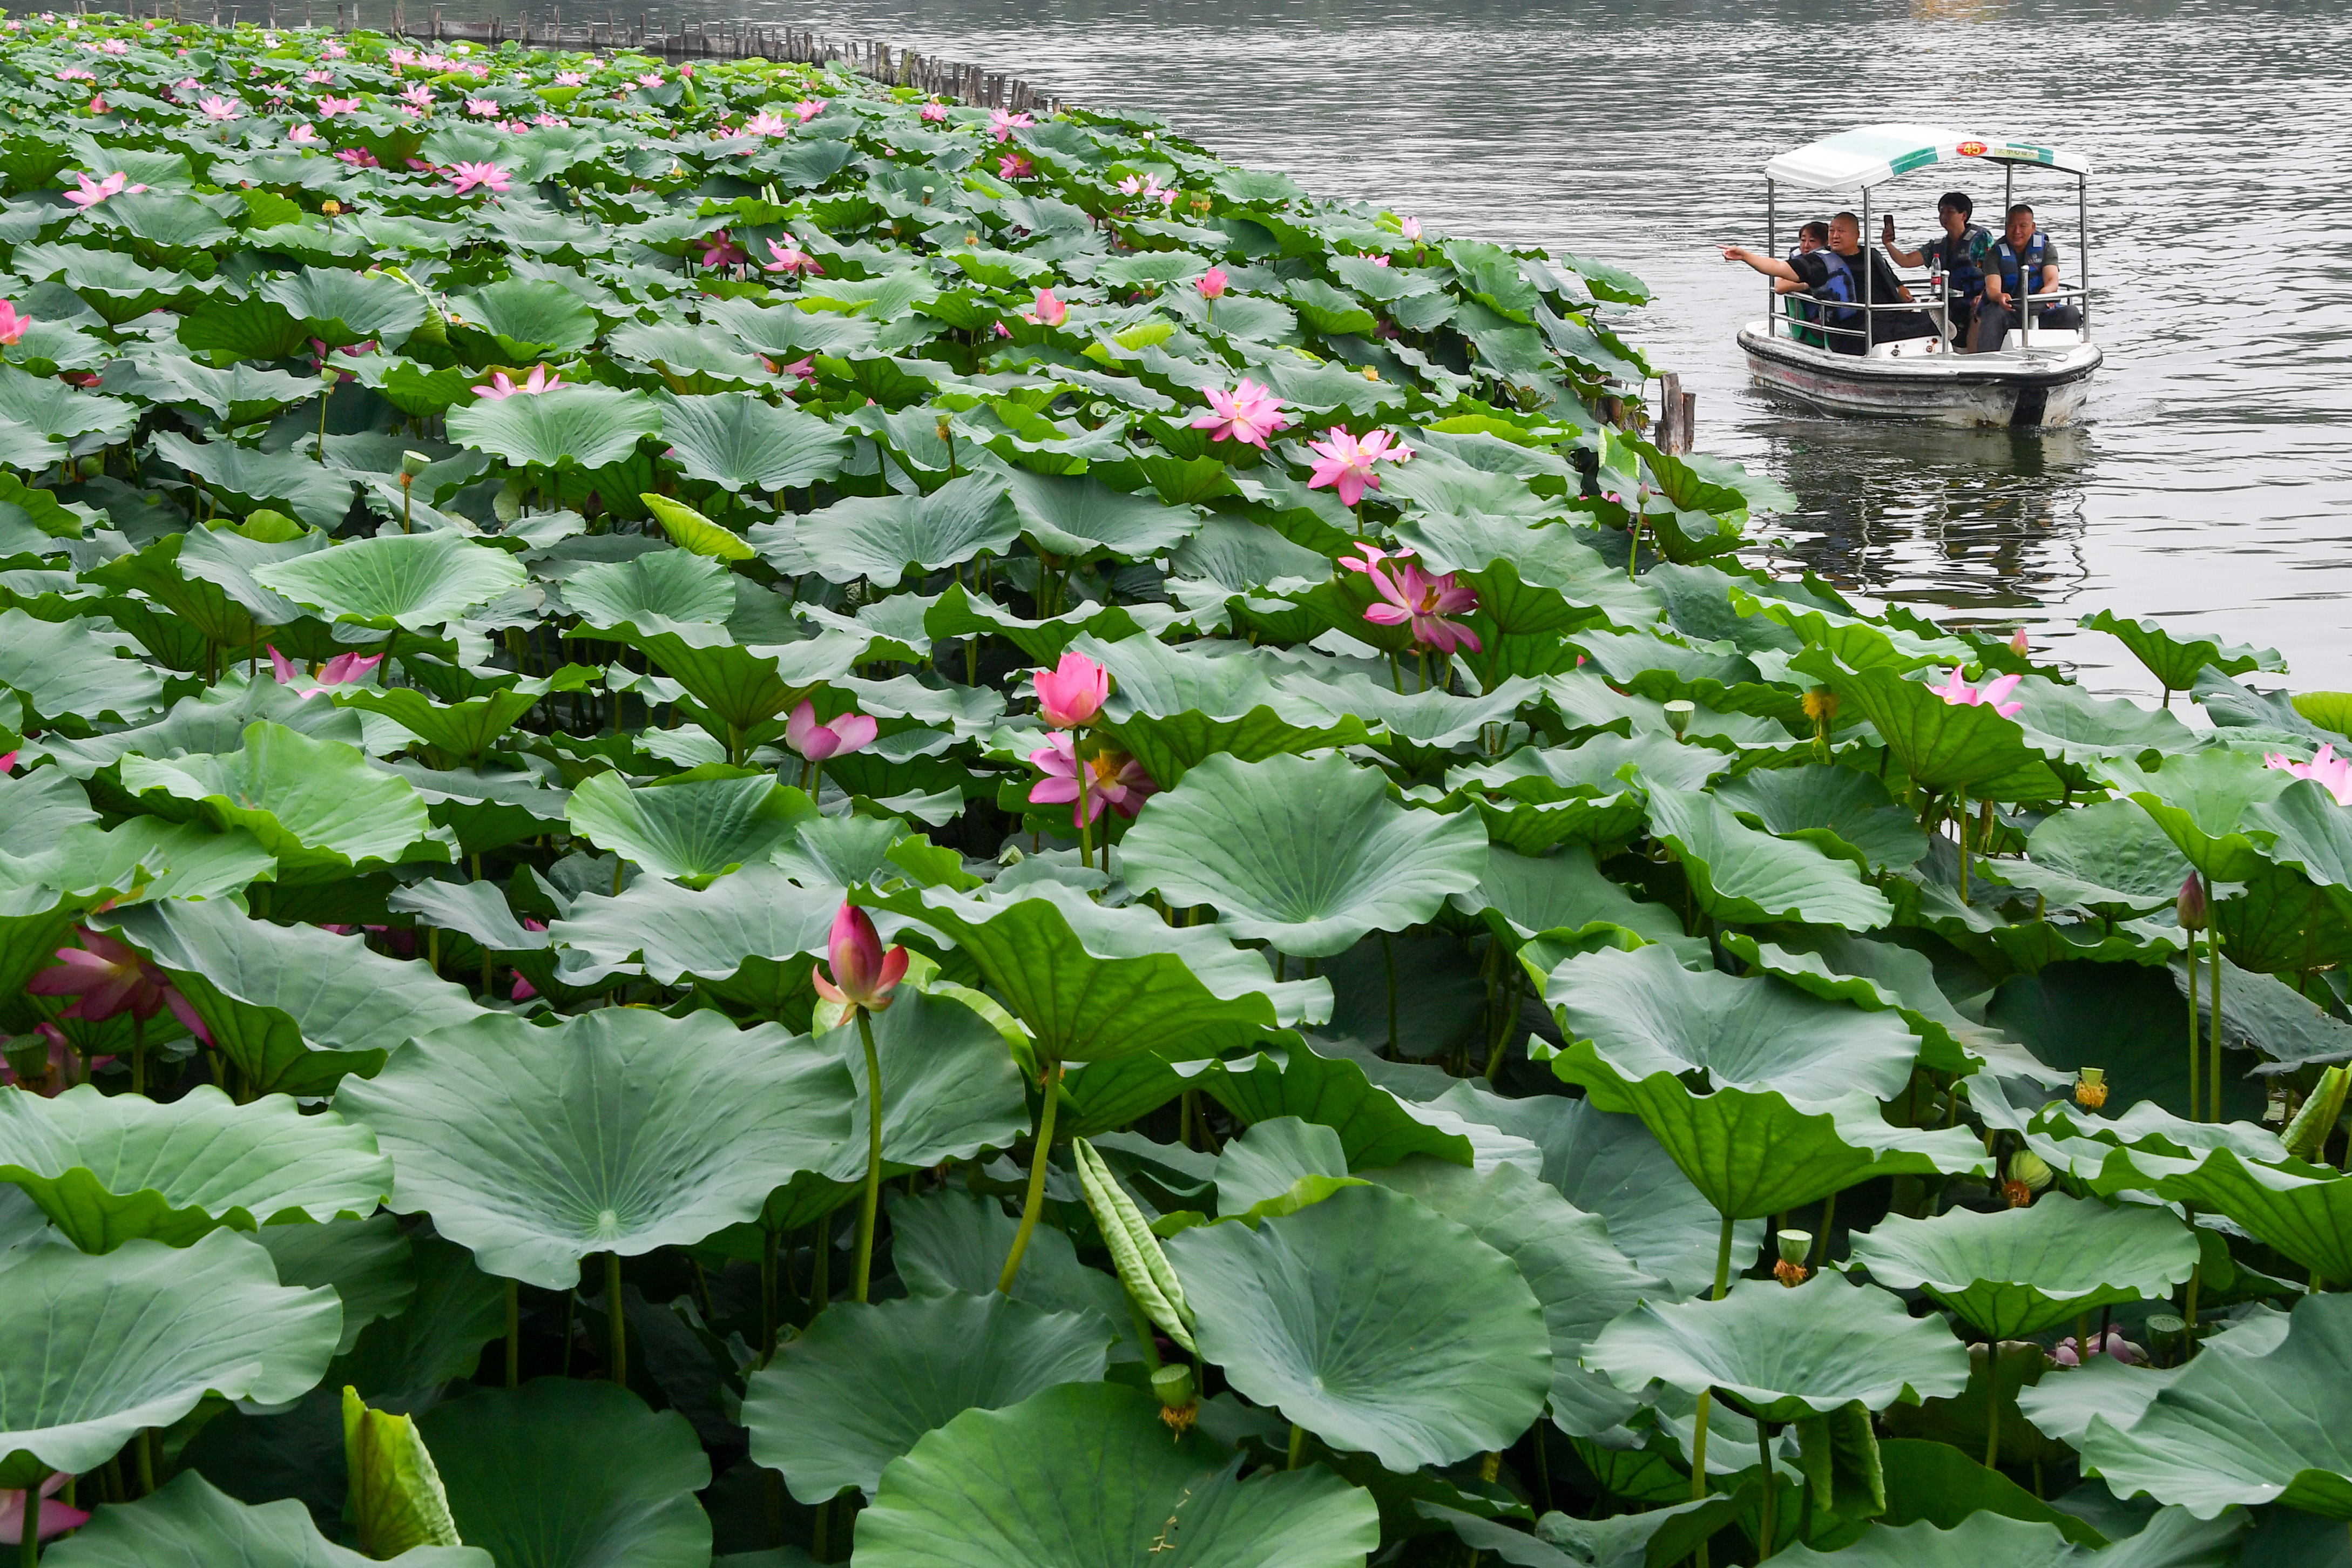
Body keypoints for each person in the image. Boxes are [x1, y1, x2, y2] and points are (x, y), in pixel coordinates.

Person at [1722, 219, 1861, 353]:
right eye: (1803, 240)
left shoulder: (1833, 261)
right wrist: (1810, 283)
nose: (1806, 245)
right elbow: (1779, 286)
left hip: (1838, 321)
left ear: (1825, 244)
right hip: (1814, 324)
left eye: (1812, 241)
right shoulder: (1809, 264)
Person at [1883, 191, 1993, 350]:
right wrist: (1888, 244)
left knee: (1979, 311)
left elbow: (1994, 271)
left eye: (1950, 212)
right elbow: (1906, 261)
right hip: (1949, 302)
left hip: (1976, 300)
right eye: (1941, 212)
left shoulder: (1981, 239)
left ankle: (1971, 355)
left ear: (1964, 215)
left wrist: (1982, 296)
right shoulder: (1938, 246)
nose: (1944, 216)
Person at [1972, 204, 2083, 350]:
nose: (2017, 231)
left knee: (2071, 313)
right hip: (2010, 312)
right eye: (2012, 226)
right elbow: (1992, 288)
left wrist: (2046, 293)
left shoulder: (2047, 249)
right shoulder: (1995, 253)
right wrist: (2000, 296)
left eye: (2023, 226)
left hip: (2042, 310)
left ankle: (2064, 356)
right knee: (1992, 312)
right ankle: (1987, 362)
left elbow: (2052, 280)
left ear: (2033, 227)